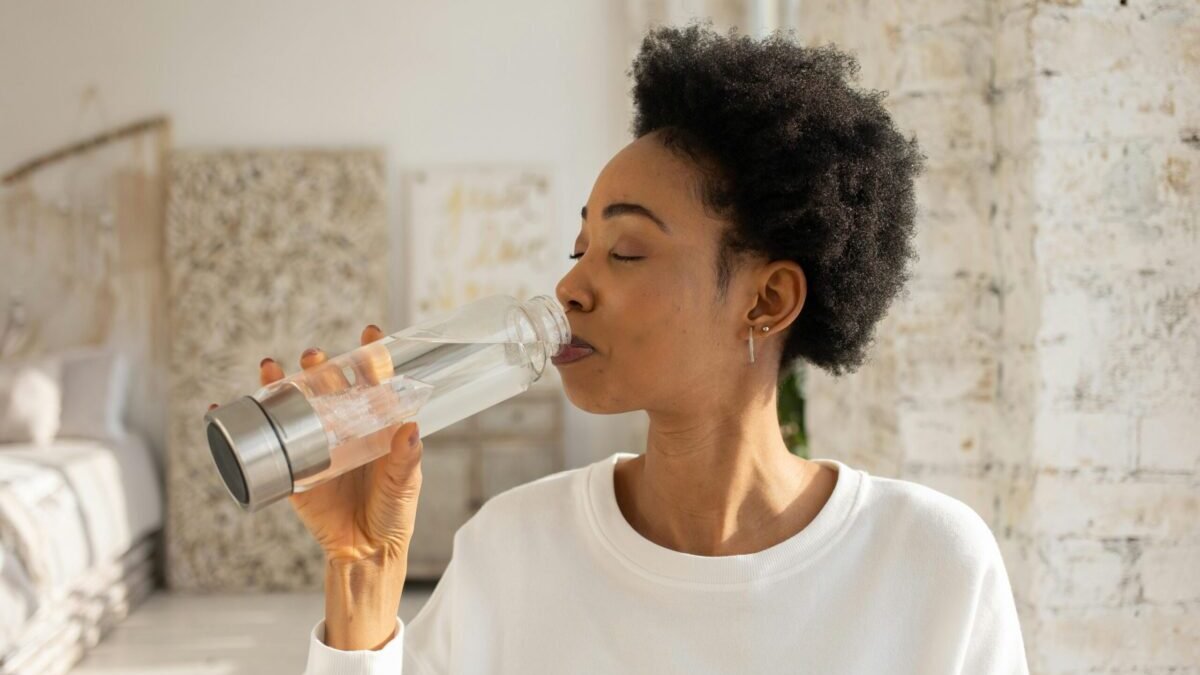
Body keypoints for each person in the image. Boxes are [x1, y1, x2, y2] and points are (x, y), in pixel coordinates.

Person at [212, 22, 1028, 674]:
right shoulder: (513, 549)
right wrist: (362, 575)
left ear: (767, 299)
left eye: (626, 251)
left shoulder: (930, 565)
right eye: (578, 250)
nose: (571, 289)